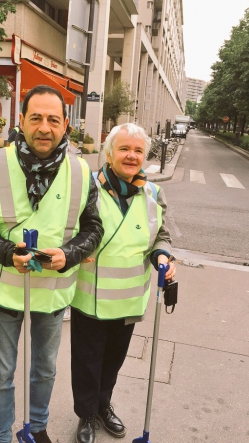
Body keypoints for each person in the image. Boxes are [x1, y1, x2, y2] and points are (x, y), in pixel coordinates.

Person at [0, 84, 103, 443]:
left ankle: (38, 428)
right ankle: (0, 436)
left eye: (53, 120)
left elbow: (94, 226)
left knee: (44, 369)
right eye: (36, 118)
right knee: (1, 373)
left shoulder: (81, 172)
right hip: (4, 289)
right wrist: (5, 252)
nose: (44, 127)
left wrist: (72, 253)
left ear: (65, 126)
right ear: (22, 120)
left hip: (53, 292)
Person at [70, 123, 176, 443]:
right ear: (109, 152)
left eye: (138, 150)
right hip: (91, 296)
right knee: (87, 361)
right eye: (124, 149)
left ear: (145, 156)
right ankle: (86, 415)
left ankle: (103, 405)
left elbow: (161, 235)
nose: (131, 156)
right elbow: (65, 228)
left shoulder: (153, 193)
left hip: (130, 297)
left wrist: (162, 257)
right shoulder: (87, 187)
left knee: (114, 360)